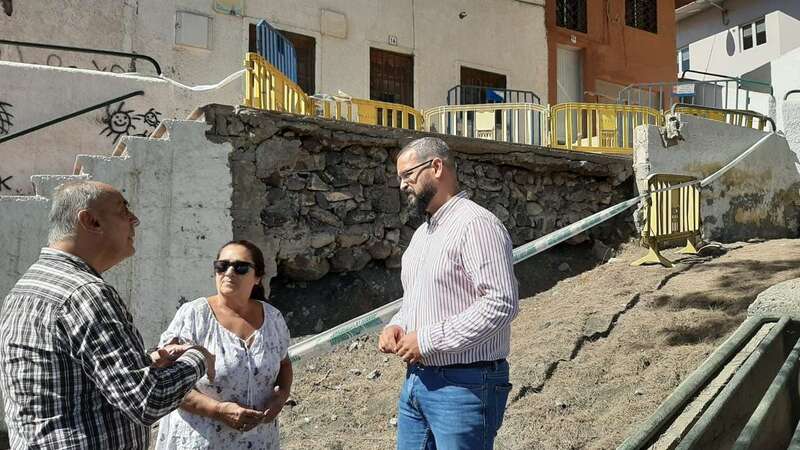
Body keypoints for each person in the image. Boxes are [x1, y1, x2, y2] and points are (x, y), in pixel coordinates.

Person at [0, 180, 215, 450]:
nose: (134, 220)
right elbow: (146, 400)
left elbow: (66, 378)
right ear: (91, 221)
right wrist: (198, 357)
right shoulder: (86, 293)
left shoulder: (30, 285)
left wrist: (146, 360)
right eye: (123, 210)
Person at [378, 137, 520, 449]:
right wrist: (397, 324)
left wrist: (427, 340)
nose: (402, 186)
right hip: (416, 382)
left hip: (465, 386)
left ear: (437, 167)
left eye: (408, 175)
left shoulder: (477, 224)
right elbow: (417, 299)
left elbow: (501, 303)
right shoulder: (421, 235)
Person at [154, 239, 293, 450]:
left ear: (257, 278)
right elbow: (168, 383)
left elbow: (284, 364)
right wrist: (219, 410)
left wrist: (281, 396)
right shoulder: (194, 316)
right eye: (222, 265)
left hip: (259, 440)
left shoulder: (272, 318)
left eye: (240, 267)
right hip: (200, 441)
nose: (229, 272)